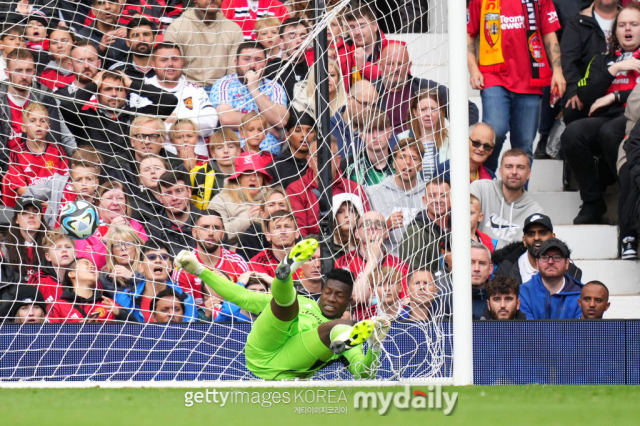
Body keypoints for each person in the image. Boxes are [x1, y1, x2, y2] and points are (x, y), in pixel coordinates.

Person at [174, 239, 391, 380]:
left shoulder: (348, 329)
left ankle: (337, 346)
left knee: (340, 327)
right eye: (328, 292)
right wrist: (200, 270)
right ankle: (286, 270)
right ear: (322, 291)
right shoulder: (305, 303)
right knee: (288, 304)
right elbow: (241, 296)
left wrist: (374, 346)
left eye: (339, 295)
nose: (332, 299)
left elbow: (364, 374)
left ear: (349, 302)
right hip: (262, 350)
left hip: (291, 363)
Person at [562, 4, 640, 224]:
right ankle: (592, 202)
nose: (628, 29)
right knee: (573, 133)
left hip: (634, 118)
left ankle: (630, 196)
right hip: (606, 117)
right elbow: (585, 94)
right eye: (622, 25)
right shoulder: (602, 59)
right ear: (614, 31)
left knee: (609, 132)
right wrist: (614, 69)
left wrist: (615, 97)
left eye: (634, 24)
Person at [467, 0, 566, 172]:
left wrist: (557, 70)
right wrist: (473, 69)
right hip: (494, 75)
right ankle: (486, 184)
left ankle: (518, 197)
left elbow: (549, 34)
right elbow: (469, 33)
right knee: (494, 132)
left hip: (530, 80)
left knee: (524, 146)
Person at [60, 70, 178, 158]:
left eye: (119, 89)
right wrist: (94, 84)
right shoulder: (85, 118)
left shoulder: (138, 117)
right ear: (97, 94)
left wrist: (132, 84)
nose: (114, 94)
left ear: (126, 92)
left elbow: (169, 101)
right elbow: (67, 105)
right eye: (108, 89)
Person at [374, 42, 479, 134]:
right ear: (380, 65)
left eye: (400, 64)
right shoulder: (370, 91)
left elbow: (470, 109)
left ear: (409, 66)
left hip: (420, 150)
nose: (395, 69)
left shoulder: (426, 88)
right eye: (390, 64)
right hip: (383, 152)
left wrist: (457, 140)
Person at [208, 41, 288, 155]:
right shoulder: (224, 84)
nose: (252, 65)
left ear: (265, 63)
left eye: (258, 59)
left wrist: (254, 89)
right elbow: (226, 118)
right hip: (235, 155)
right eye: (246, 59)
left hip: (269, 157)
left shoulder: (274, 87)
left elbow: (281, 120)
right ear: (236, 62)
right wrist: (267, 125)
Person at [0, 48, 72, 169]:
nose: (24, 76)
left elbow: (58, 136)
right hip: (6, 167)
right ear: (7, 72)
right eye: (18, 71)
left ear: (34, 72)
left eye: (28, 71)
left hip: (41, 166)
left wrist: (77, 156)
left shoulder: (44, 96)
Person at [146, 43, 218, 155]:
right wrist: (190, 127)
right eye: (164, 60)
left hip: (198, 159)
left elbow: (210, 122)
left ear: (182, 62)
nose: (170, 64)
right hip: (157, 159)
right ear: (153, 64)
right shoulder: (143, 89)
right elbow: (144, 130)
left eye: (175, 59)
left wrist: (176, 119)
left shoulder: (195, 90)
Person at [336, 210, 408, 320]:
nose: (372, 228)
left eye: (379, 224)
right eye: (366, 224)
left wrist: (370, 298)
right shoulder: (344, 262)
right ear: (357, 234)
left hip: (394, 324)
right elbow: (355, 297)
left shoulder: (399, 265)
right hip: (358, 325)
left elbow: (405, 302)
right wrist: (372, 259)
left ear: (387, 233)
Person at [559, 0, 618, 127]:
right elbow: (568, 61)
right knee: (573, 111)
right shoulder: (576, 23)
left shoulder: (632, 19)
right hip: (588, 92)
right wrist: (574, 91)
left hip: (624, 90)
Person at [172, 212, 249, 306]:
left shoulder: (237, 263)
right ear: (194, 232)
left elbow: (246, 303)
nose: (211, 233)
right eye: (205, 227)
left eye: (216, 228)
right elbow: (184, 311)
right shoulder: (184, 266)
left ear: (223, 234)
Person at [470, 148, 543, 249]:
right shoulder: (481, 189)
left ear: (528, 173)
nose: (514, 172)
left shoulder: (534, 211)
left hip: (511, 263)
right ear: (500, 171)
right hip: (476, 259)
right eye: (508, 167)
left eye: (520, 167)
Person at [366, 137, 425, 255]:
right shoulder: (373, 193)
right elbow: (365, 237)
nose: (407, 162)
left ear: (420, 166)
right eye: (402, 157)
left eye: (413, 158)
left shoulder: (429, 194)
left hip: (421, 262)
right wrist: (386, 226)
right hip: (386, 264)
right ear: (393, 163)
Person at [164, 0, 245, 86]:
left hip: (222, 89)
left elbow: (234, 71)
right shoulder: (177, 27)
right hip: (186, 88)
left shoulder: (234, 29)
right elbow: (172, 67)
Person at [2, 102, 68, 207]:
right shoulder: (17, 154)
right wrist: (40, 204)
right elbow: (21, 189)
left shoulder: (58, 151)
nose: (38, 124)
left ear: (48, 127)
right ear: (23, 127)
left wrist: (52, 203)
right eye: (32, 121)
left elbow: (65, 183)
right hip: (30, 206)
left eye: (43, 121)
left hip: (55, 204)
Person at [115, 239, 196, 322]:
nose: (158, 260)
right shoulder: (123, 298)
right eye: (151, 257)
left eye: (163, 257)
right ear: (141, 267)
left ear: (170, 266)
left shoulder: (187, 300)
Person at [492, 213, 582, 285]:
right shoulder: (506, 269)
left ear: (553, 237)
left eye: (542, 233)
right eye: (531, 234)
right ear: (524, 240)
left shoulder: (570, 271)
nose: (536, 238)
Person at [76, 182, 148, 270]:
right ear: (98, 204)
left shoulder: (135, 226)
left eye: (120, 198)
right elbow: (86, 264)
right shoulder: (85, 228)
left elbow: (144, 255)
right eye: (109, 198)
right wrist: (109, 234)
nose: (115, 203)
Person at [208, 153, 272, 245]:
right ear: (238, 177)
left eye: (257, 174)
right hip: (234, 256)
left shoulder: (273, 199)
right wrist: (247, 218)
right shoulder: (220, 200)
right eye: (247, 174)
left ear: (263, 179)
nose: (253, 179)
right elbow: (215, 234)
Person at [48, 257, 133, 323]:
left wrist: (119, 313)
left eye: (93, 265)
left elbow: (136, 330)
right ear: (71, 274)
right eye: (86, 263)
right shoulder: (58, 305)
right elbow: (48, 337)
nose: (92, 266)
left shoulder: (107, 303)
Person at [519, 238, 584, 320]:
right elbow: (528, 330)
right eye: (544, 257)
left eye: (556, 257)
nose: (550, 261)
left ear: (567, 263)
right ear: (537, 263)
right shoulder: (524, 292)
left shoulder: (581, 295)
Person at [398, 177, 451, 272]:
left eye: (443, 195)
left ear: (452, 199)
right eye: (432, 196)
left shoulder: (460, 228)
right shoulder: (415, 232)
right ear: (424, 200)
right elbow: (413, 276)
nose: (438, 200)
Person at [145, 171, 203, 256]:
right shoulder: (153, 227)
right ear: (160, 198)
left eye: (179, 191)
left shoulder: (207, 221)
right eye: (168, 193)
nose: (174, 198)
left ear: (189, 192)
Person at [188, 128, 242, 210]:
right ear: (212, 153)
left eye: (230, 147)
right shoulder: (199, 173)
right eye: (220, 148)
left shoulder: (246, 174)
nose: (226, 151)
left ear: (238, 151)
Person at [403, 89, 449, 181]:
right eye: (423, 110)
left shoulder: (452, 140)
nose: (428, 114)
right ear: (415, 112)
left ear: (440, 111)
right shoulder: (402, 139)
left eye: (433, 109)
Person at [237, 186, 291, 261]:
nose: (277, 209)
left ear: (288, 211)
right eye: (271, 205)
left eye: (281, 205)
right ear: (262, 213)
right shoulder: (249, 238)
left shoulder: (296, 236)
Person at [263, 17, 311, 102]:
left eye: (303, 37)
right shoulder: (269, 71)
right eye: (292, 37)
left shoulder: (313, 72)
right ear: (281, 43)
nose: (299, 40)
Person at [343, 109, 395, 187]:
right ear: (361, 135)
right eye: (369, 131)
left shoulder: (402, 161)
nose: (375, 136)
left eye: (380, 130)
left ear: (389, 132)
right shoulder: (348, 165)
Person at [266, 109, 316, 190]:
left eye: (310, 131)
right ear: (288, 135)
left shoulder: (321, 164)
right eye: (298, 131)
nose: (304, 135)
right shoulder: (275, 168)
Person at [2, 197, 47, 282]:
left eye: (36, 212)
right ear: (16, 219)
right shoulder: (5, 247)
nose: (31, 216)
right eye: (25, 212)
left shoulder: (51, 245)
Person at [330, 79, 379, 156]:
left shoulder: (381, 129)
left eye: (373, 105)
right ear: (349, 99)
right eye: (364, 104)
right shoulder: (327, 127)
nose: (369, 110)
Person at [27, 230, 75, 305]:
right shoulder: (39, 279)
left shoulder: (84, 276)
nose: (64, 250)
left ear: (75, 253)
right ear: (48, 256)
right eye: (57, 248)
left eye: (68, 247)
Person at [249, 209, 302, 278]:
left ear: (297, 233)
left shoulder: (308, 258)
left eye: (287, 226)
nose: (283, 231)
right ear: (268, 236)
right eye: (277, 227)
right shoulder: (258, 262)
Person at [76, 0, 129, 68]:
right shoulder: (83, 36)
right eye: (101, 3)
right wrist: (100, 49)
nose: (107, 7)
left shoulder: (129, 32)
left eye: (111, 2)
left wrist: (132, 34)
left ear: (119, 7)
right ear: (93, 10)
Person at [99, 225, 145, 298]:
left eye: (128, 244)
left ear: (137, 246)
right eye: (117, 245)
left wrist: (132, 277)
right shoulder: (106, 277)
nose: (123, 248)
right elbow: (126, 304)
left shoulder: (149, 269)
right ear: (111, 251)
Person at [109, 17, 157, 83]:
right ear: (128, 42)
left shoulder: (165, 68)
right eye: (136, 35)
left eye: (146, 34)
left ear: (154, 39)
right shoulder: (117, 71)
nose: (142, 39)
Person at [221, 0, 289, 40]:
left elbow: (285, 36)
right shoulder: (229, 2)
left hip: (269, 58)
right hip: (236, 53)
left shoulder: (278, 6)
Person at [37, 27, 75, 92]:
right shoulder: (44, 77)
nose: (59, 45)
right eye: (54, 42)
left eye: (64, 41)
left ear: (74, 44)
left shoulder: (85, 71)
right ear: (49, 49)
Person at [331, 193, 364, 260]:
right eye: (340, 211)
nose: (346, 215)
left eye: (351, 211)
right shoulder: (328, 247)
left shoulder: (366, 244)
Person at [471, 243, 492, 320]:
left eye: (482, 263)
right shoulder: (446, 298)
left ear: (490, 269)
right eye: (471, 262)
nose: (476, 268)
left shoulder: (500, 298)